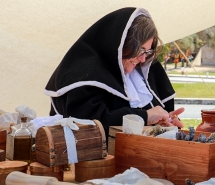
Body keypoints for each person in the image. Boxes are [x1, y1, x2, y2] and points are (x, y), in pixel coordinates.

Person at [45, 8, 184, 134]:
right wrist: (146, 117)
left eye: (148, 51)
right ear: (121, 44)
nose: (143, 59)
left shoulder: (144, 72)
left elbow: (153, 118)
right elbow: (90, 125)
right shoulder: (84, 74)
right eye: (140, 50)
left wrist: (165, 125)